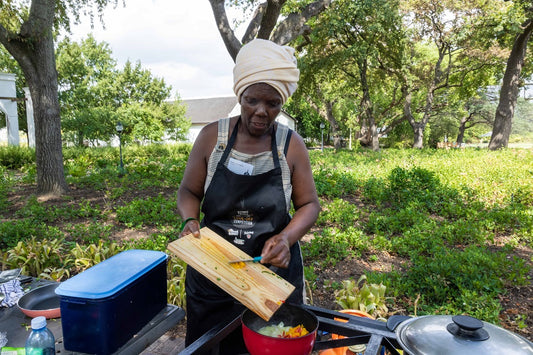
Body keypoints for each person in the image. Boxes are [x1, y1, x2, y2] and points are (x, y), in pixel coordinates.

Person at [176, 38, 321, 354]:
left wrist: (285, 239)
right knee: (208, 346)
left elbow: (309, 204)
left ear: (281, 104)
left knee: (271, 343)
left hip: (270, 276)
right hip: (214, 273)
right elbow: (188, 191)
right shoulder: (212, 138)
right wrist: (189, 219)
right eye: (252, 100)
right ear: (239, 95)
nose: (261, 111)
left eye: (272, 104)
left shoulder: (290, 146)